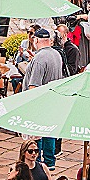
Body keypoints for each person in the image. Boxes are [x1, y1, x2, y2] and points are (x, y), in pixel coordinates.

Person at [21, 28, 63, 170]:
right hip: (53, 102)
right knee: (49, 132)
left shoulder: (39, 58)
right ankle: (50, 163)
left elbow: (33, 86)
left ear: (36, 40)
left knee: (36, 136)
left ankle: (36, 164)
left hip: (39, 104)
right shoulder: (56, 54)